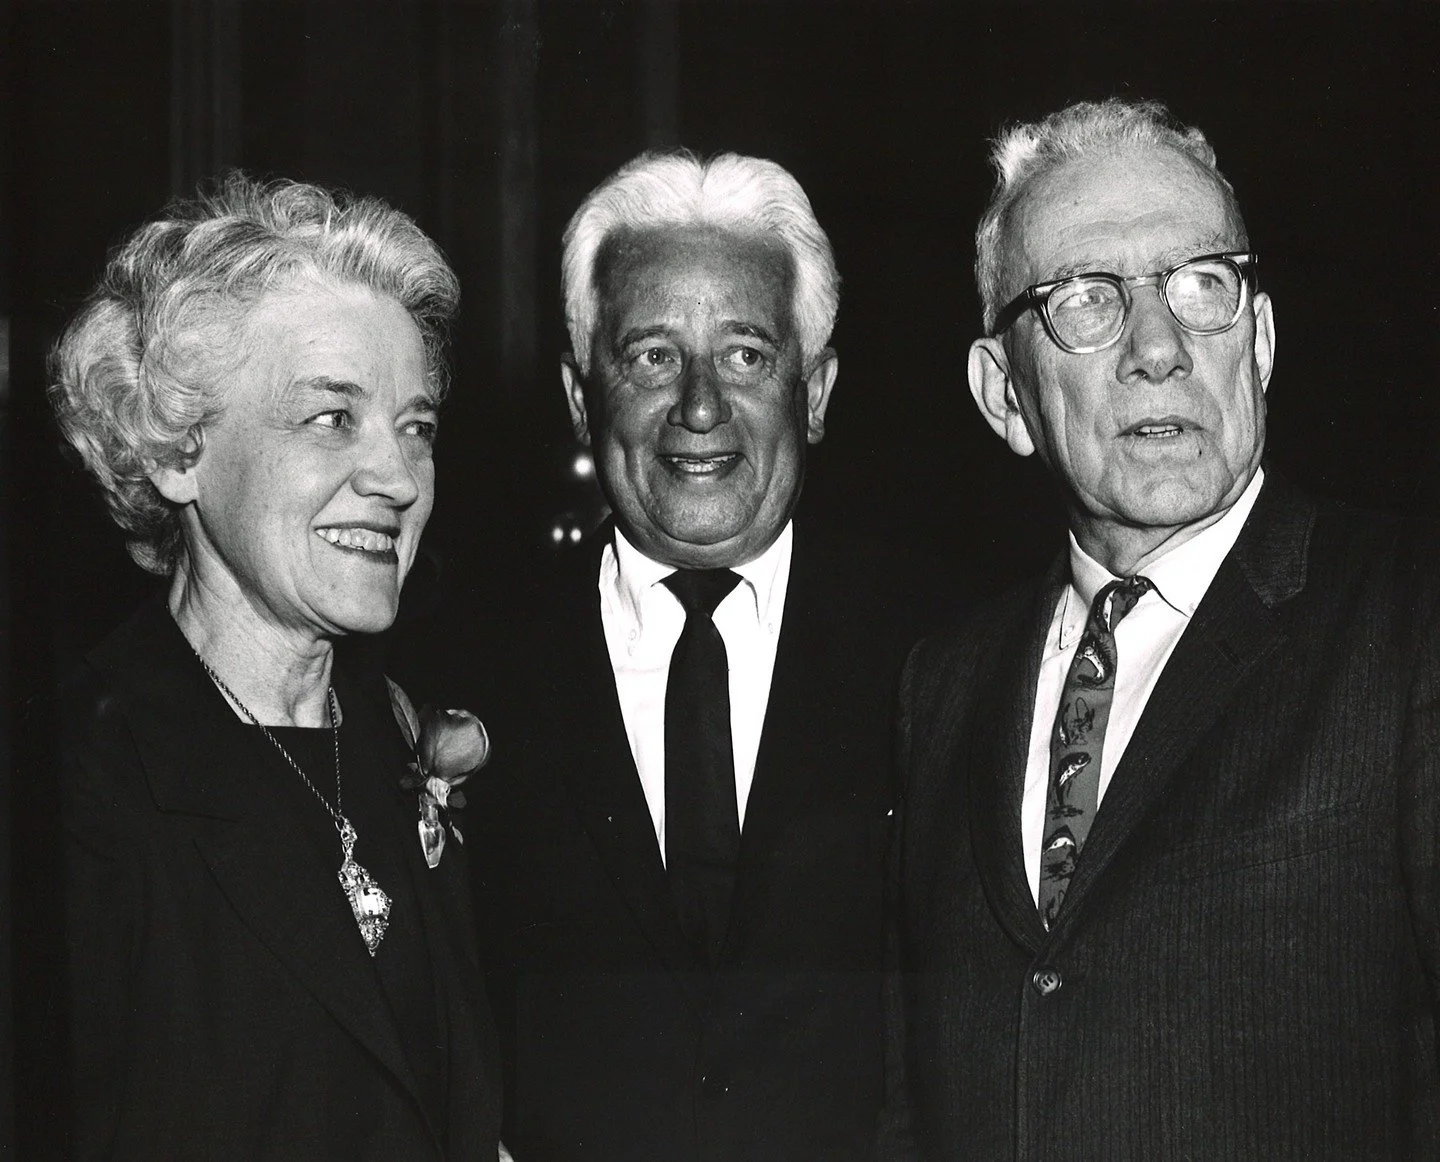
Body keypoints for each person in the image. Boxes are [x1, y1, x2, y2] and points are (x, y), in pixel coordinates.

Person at [884, 97, 1440, 1159]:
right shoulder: (943, 685)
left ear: (1260, 341)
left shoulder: (1409, 619)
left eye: (1202, 285)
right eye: (1088, 299)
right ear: (1004, 395)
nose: (1158, 346)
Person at [397, 149, 942, 1161]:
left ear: (816, 391)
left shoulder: (945, 649)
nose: (698, 406)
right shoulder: (456, 663)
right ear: (580, 396)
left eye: (746, 355)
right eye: (651, 356)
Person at [50, 174, 501, 1159]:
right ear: (176, 452)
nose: (398, 478)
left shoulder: (390, 735)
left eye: (416, 427)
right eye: (332, 417)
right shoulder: (74, 791)